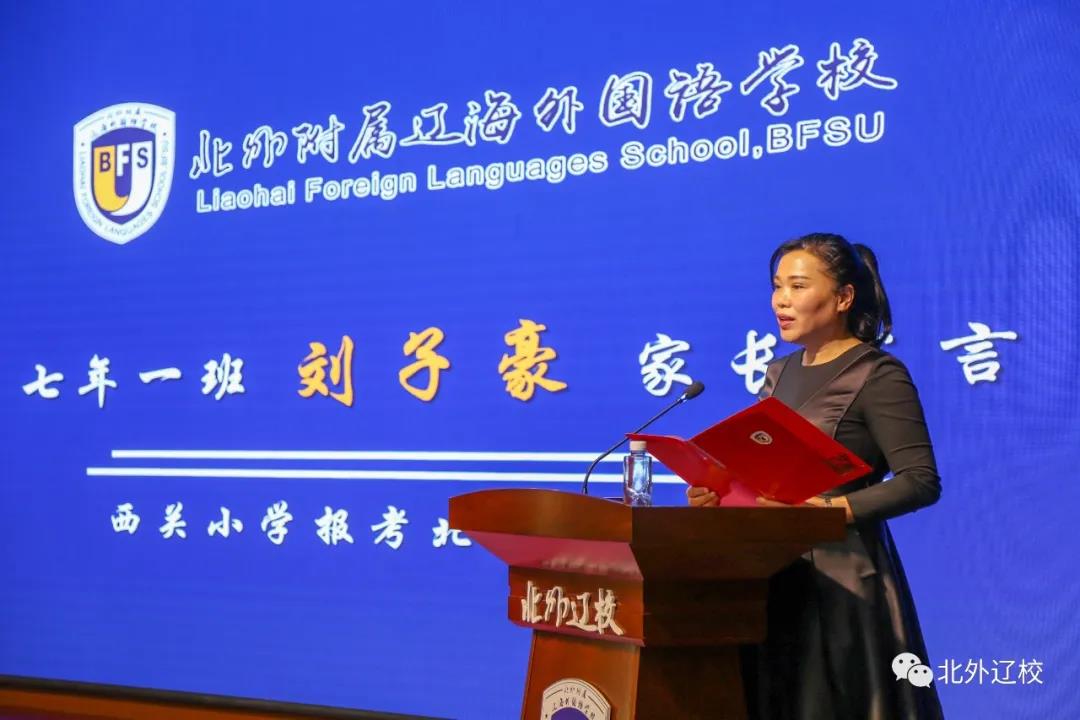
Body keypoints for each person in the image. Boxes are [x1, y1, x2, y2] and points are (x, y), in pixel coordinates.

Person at [687, 233, 945, 719]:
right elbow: (767, 472)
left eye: (798, 286)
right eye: (777, 286)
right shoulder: (778, 373)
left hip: (842, 578)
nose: (781, 300)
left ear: (844, 297)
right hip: (774, 570)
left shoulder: (878, 374)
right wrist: (721, 492)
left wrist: (827, 511)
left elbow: (920, 480)